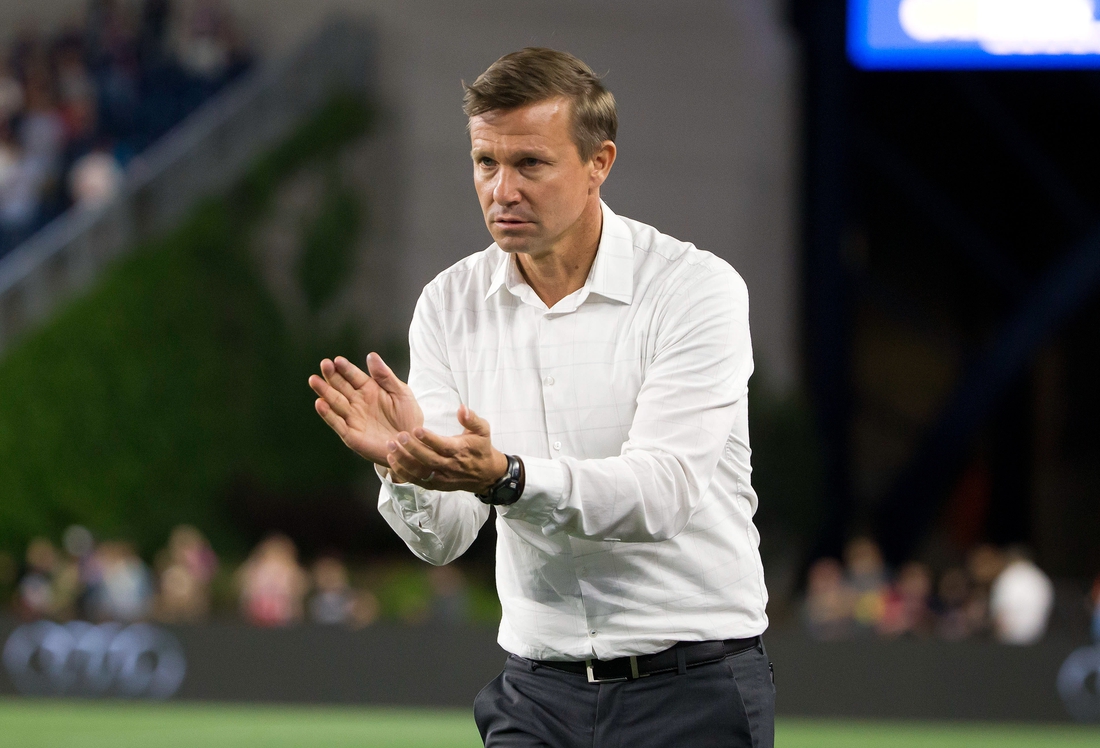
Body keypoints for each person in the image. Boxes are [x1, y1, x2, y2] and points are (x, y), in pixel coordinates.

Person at [309, 48, 773, 747]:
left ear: (599, 163)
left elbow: (664, 492)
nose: (502, 190)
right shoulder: (448, 304)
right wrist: (405, 467)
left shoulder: (693, 290)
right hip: (536, 693)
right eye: (485, 163)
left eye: (530, 164)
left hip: (693, 689)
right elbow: (445, 538)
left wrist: (508, 478)